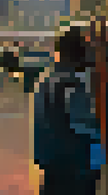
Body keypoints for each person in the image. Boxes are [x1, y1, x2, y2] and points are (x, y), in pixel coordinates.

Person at [34, 28, 102, 195]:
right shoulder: (75, 85)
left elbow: (39, 127)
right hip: (76, 170)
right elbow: (87, 129)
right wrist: (98, 162)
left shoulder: (46, 83)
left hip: (52, 166)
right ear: (80, 54)